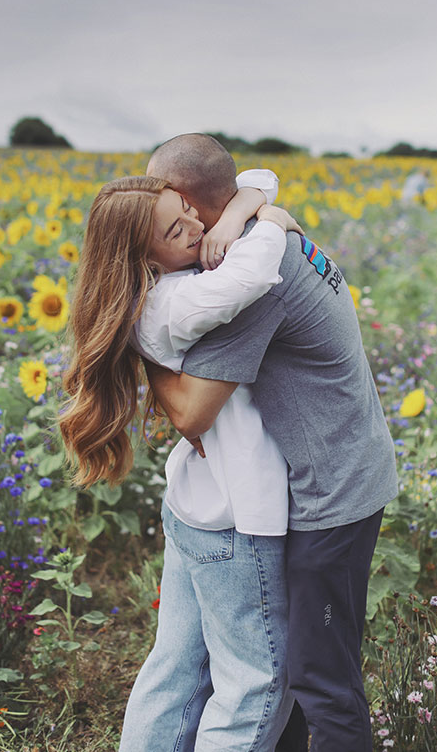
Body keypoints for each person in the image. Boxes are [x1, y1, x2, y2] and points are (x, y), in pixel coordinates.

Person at [145, 133, 399, 752]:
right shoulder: (262, 232)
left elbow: (192, 413)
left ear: (187, 204)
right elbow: (258, 182)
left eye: (165, 201)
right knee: (291, 671)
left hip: (329, 496)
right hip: (343, 470)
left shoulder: (251, 284)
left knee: (319, 677)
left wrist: (133, 341)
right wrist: (249, 206)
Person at [59, 172, 303, 750]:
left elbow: (251, 175)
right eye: (177, 228)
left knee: (175, 672)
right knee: (255, 687)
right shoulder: (174, 300)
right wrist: (268, 219)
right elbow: (254, 273)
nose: (198, 226)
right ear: (144, 259)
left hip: (196, 504)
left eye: (191, 210)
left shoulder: (158, 289)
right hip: (238, 517)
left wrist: (242, 201)